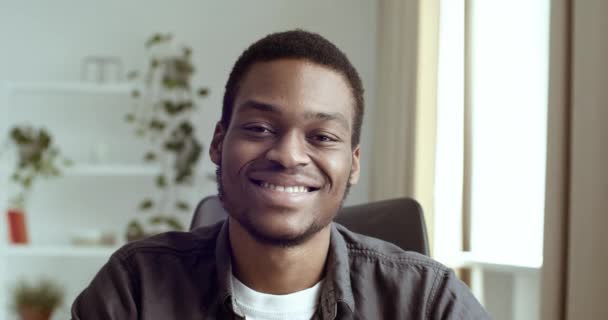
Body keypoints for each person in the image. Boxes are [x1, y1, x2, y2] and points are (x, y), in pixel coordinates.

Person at [71, 29, 489, 319]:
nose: (289, 155)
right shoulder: (135, 289)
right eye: (259, 128)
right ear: (218, 142)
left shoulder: (426, 301)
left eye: (322, 136)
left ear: (354, 162)